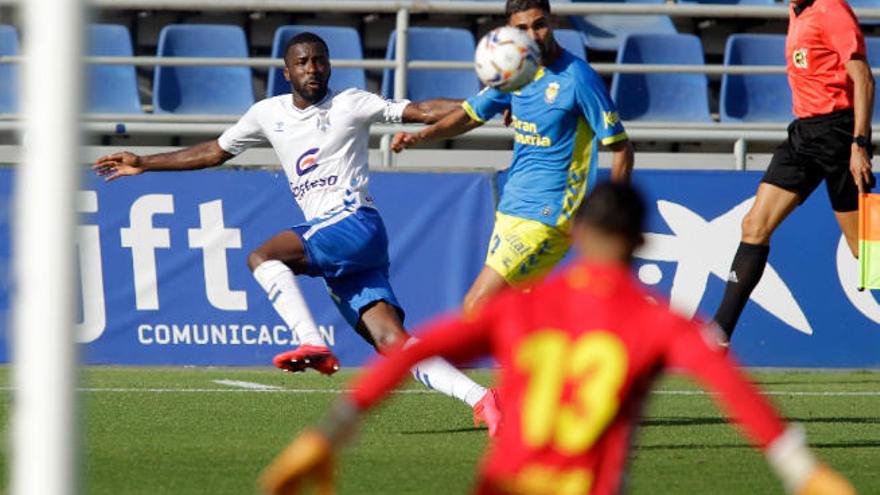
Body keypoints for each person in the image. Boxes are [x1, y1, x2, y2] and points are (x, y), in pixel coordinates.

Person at [260, 182, 855, 495]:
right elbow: (734, 390)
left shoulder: (525, 307)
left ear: (580, 233)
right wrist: (802, 470)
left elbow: (407, 354)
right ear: (637, 244)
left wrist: (329, 434)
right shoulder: (661, 324)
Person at [92, 32, 500, 431]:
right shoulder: (267, 113)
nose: (313, 69)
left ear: (329, 65)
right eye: (302, 62)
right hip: (349, 247)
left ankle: (312, 341)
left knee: (262, 257)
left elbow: (423, 109)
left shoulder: (351, 102)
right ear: (286, 72)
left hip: (354, 223)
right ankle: (483, 400)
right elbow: (214, 152)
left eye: (319, 60)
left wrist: (491, 102)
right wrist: (145, 162)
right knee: (391, 341)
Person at [391, 0, 635, 315]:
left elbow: (622, 149)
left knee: (477, 306)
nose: (533, 34)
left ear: (553, 22)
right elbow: (469, 115)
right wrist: (422, 135)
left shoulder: (578, 78)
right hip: (512, 207)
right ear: (510, 31)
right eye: (522, 28)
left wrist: (615, 216)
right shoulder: (515, 70)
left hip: (549, 215)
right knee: (519, 316)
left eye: (540, 24)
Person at [713, 0, 876, 343]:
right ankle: (718, 335)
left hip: (838, 135)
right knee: (754, 226)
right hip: (804, 133)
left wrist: (860, 143)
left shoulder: (832, 9)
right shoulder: (796, 9)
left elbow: (862, 77)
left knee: (866, 253)